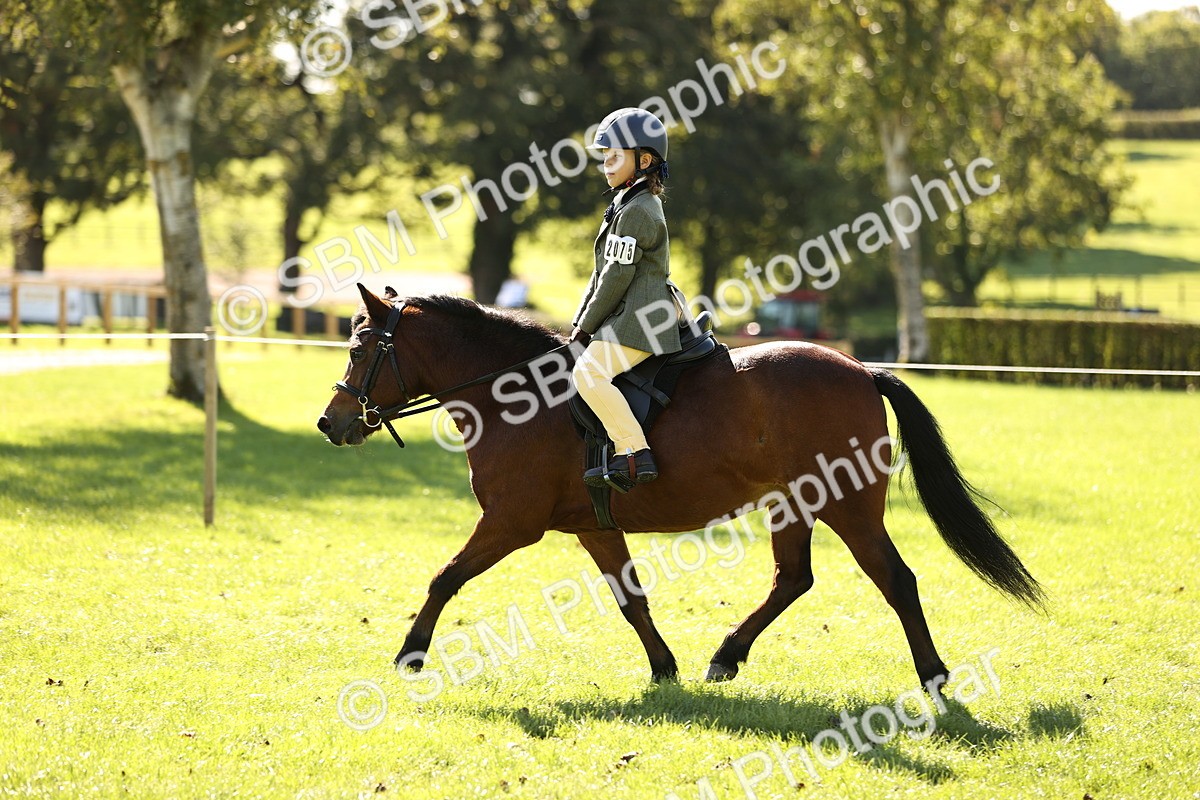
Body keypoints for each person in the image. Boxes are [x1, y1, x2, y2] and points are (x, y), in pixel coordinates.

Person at [569, 107, 685, 489]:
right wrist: (579, 322)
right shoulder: (623, 203)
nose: (606, 163)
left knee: (588, 373)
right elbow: (601, 272)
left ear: (644, 160)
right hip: (625, 315)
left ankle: (634, 452)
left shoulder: (639, 210)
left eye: (615, 155)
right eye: (604, 156)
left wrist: (586, 327)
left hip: (642, 320)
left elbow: (617, 278)